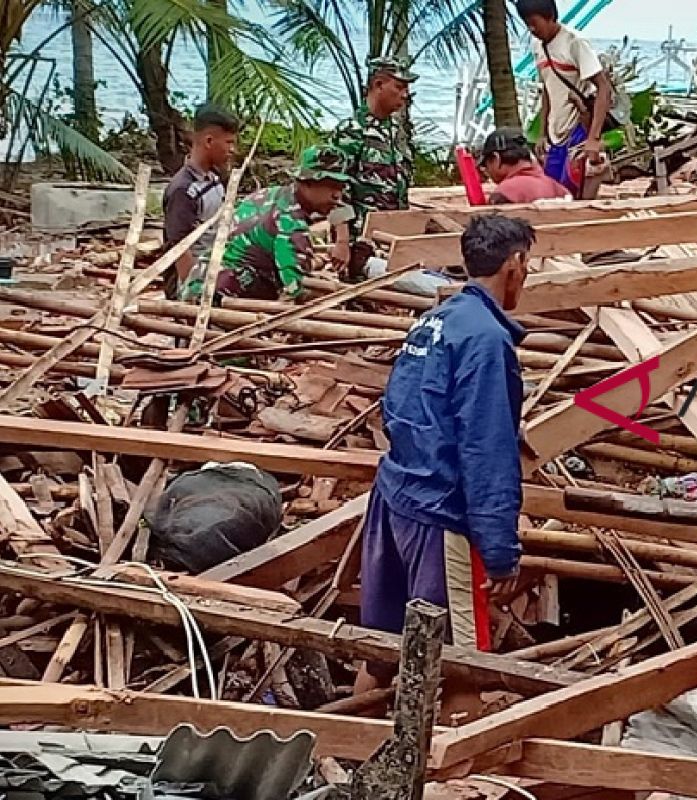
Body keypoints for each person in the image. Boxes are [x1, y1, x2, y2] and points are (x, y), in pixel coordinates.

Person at [354, 214, 536, 694]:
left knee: (382, 652)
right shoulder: (487, 340)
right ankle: (448, 767)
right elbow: (486, 449)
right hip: (440, 515)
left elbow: (397, 409)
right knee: (459, 666)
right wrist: (499, 551)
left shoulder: (434, 322)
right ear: (514, 264)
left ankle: (344, 753)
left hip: (395, 496)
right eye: (529, 264)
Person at [180, 146, 348, 303]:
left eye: (341, 187)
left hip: (198, 283)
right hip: (220, 298)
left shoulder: (269, 194)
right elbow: (296, 288)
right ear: (306, 182)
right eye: (331, 186)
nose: (337, 195)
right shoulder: (290, 224)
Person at [327, 57, 418, 278]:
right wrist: (342, 241)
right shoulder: (351, 132)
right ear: (378, 85)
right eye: (399, 87)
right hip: (359, 239)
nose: (405, 95)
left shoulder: (397, 131)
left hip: (392, 237)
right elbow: (334, 189)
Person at [517, 0, 613, 197]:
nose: (531, 29)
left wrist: (593, 139)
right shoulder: (538, 47)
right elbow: (548, 89)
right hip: (555, 135)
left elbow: (603, 87)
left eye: (534, 22)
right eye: (527, 24)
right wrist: (542, 133)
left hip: (577, 129)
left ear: (550, 17)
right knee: (552, 192)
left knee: (573, 193)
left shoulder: (574, 42)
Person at [162, 105, 240, 299]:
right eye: (229, 143)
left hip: (214, 271)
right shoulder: (184, 190)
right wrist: (192, 293)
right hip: (192, 284)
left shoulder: (213, 179)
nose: (232, 150)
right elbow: (180, 248)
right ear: (209, 141)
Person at [480, 127, 572, 204]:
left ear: (497, 159)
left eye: (486, 164)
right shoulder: (560, 190)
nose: (487, 170)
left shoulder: (504, 193)